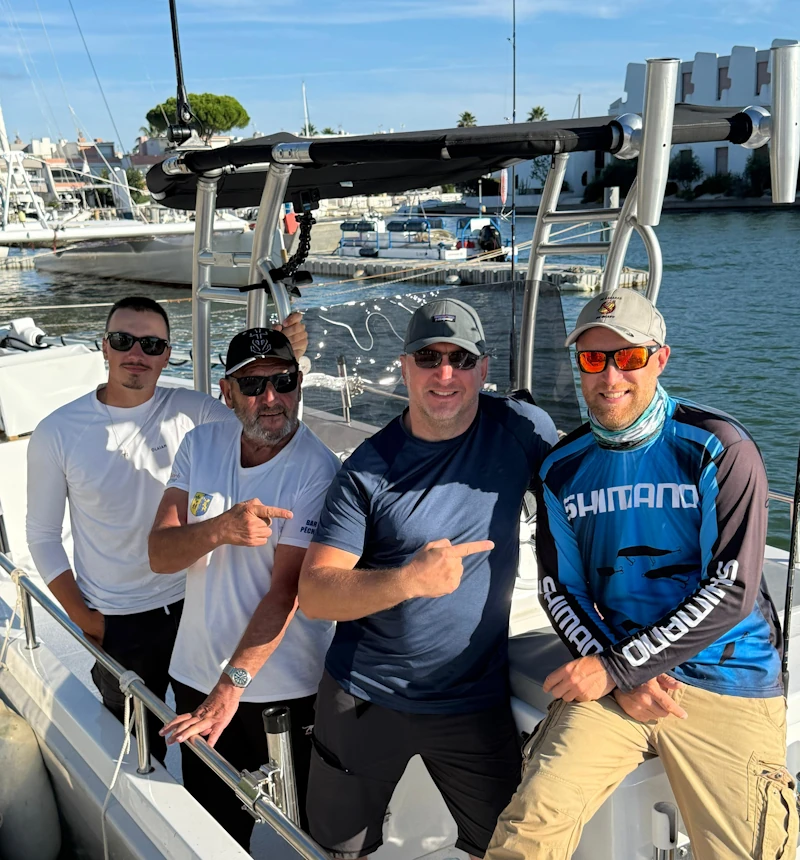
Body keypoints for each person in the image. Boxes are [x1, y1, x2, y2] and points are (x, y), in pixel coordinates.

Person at [485, 288, 797, 860]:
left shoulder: (717, 448)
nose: (610, 377)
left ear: (660, 359)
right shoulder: (561, 468)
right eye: (593, 359)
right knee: (528, 829)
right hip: (622, 678)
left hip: (728, 680)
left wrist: (616, 668)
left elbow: (730, 589)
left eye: (627, 358)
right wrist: (621, 672)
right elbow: (561, 590)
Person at [298, 298, 559, 860]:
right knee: (336, 851)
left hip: (472, 700)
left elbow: (588, 498)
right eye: (429, 357)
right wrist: (407, 581)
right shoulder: (367, 469)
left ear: (483, 370)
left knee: (505, 849)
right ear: (405, 366)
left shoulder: (520, 430)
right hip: (364, 695)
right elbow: (315, 592)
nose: (445, 374)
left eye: (461, 359)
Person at [26, 296, 307, 763]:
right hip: (117, 618)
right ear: (104, 347)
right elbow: (41, 536)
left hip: (196, 605)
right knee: (133, 746)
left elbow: (264, 412)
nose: (137, 353)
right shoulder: (58, 431)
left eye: (152, 344)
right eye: (124, 341)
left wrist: (283, 354)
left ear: (167, 354)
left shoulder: (193, 411)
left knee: (207, 734)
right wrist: (85, 618)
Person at [149, 327, 340, 849]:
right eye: (253, 386)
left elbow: (287, 593)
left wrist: (230, 687)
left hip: (283, 692)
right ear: (226, 392)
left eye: (283, 381)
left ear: (299, 384)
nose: (271, 398)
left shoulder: (317, 470)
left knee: (301, 838)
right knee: (212, 834)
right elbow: (160, 554)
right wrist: (219, 529)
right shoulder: (200, 444)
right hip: (195, 678)